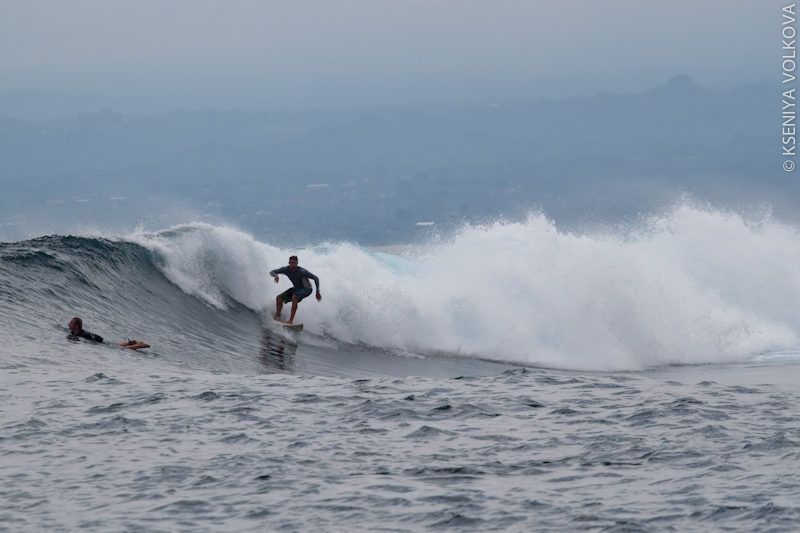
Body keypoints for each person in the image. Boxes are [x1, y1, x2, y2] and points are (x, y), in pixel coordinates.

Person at [269, 255, 322, 324]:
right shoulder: (286, 269)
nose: (293, 265)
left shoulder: (302, 271)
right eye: (292, 263)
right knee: (279, 298)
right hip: (296, 289)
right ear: (289, 263)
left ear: (297, 263)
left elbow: (316, 278)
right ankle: (277, 316)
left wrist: (317, 292)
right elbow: (272, 272)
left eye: (295, 263)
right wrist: (275, 275)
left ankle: (290, 320)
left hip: (307, 289)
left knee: (294, 297)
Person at [68, 317, 150, 350]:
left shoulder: (84, 334)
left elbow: (98, 338)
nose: (69, 324)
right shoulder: (73, 332)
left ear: (77, 326)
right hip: (102, 344)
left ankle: (140, 345)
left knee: (124, 349)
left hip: (101, 345)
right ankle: (133, 342)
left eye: (71, 323)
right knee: (117, 345)